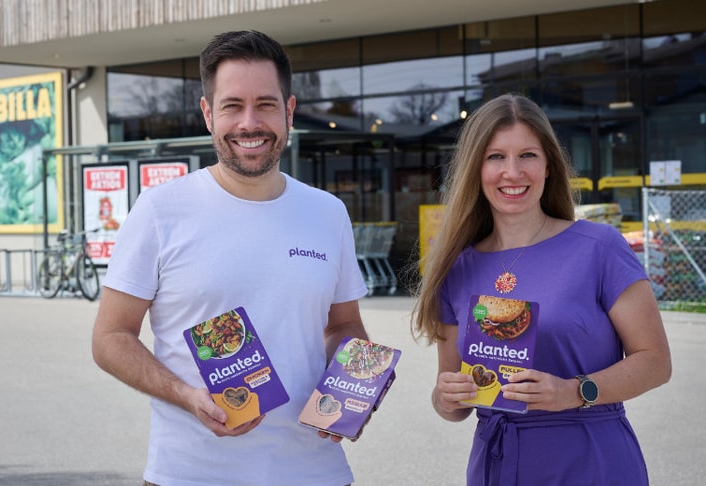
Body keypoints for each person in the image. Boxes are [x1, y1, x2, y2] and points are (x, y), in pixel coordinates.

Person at [91, 30, 369, 486]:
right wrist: (185, 395)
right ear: (207, 114)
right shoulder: (161, 210)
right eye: (232, 106)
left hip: (315, 471)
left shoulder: (327, 212)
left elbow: (343, 325)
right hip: (191, 473)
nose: (249, 123)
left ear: (289, 111)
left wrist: (353, 383)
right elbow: (110, 336)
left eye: (265, 104)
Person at [411, 93, 671, 485]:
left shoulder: (599, 248)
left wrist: (575, 390)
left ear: (549, 165)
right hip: (496, 464)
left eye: (527, 155)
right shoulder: (455, 268)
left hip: (590, 460)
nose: (512, 172)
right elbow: (452, 403)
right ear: (475, 169)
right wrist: (446, 397)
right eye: (495, 157)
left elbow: (655, 362)